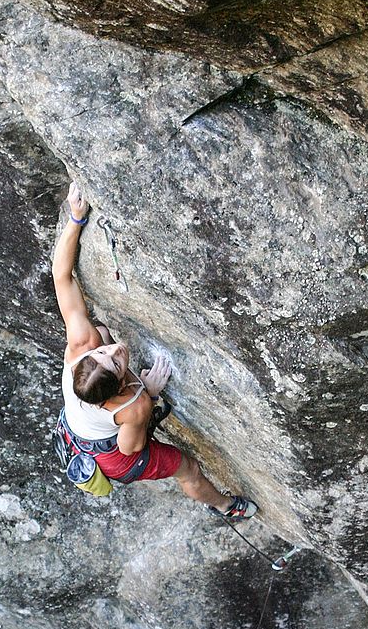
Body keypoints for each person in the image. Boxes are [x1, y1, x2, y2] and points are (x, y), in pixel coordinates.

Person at [52, 182, 258, 517]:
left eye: (102, 354)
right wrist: (145, 397)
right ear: (121, 387)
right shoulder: (133, 404)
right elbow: (130, 446)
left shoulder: (80, 348)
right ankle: (224, 505)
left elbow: (61, 276)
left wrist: (75, 220)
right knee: (188, 468)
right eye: (117, 363)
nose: (115, 350)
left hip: (80, 431)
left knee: (98, 330)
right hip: (112, 456)